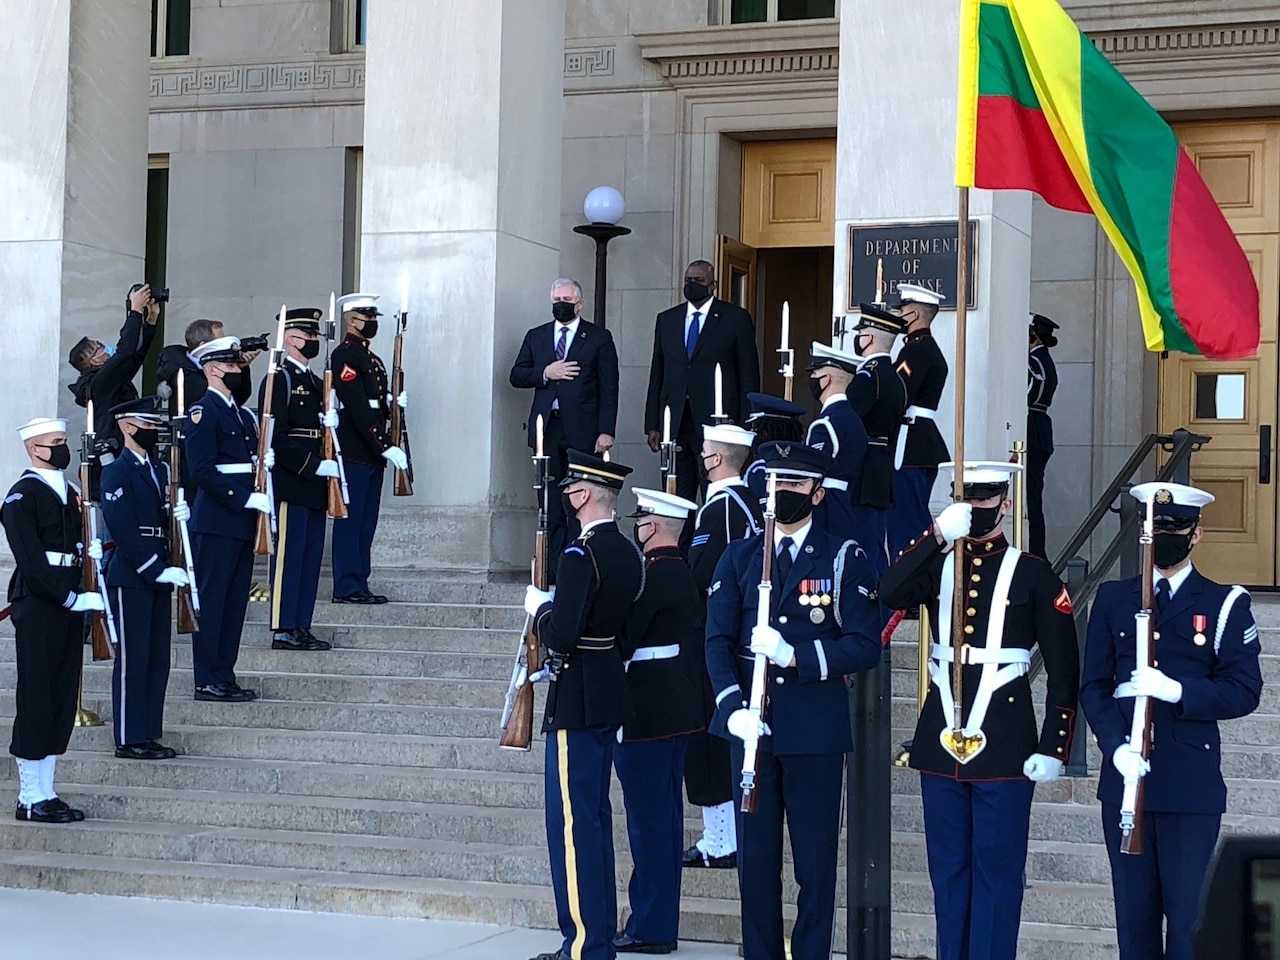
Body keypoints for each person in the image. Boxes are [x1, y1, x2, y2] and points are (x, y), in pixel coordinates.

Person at [878, 462, 1080, 960]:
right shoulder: (940, 564)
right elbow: (889, 590)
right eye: (966, 502)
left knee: (997, 874)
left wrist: (1055, 746)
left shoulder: (1033, 572)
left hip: (1004, 741)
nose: (976, 511)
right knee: (948, 874)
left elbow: (1064, 668)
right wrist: (933, 536)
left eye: (986, 501)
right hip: (941, 735)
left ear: (1006, 504)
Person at [705, 441, 881, 960]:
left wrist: (795, 656)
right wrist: (733, 707)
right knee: (755, 865)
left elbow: (863, 644)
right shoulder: (740, 556)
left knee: (814, 866)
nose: (782, 494)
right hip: (752, 730)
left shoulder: (843, 557)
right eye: (775, 484)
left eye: (795, 485)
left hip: (814, 733)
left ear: (818, 494)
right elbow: (715, 639)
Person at [1081, 482, 1262, 960]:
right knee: (1134, 925)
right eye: (1154, 529)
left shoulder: (1224, 603)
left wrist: (1179, 690)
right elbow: (1094, 687)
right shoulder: (1114, 599)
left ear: (1196, 534)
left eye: (1174, 529)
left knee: (1188, 924)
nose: (1163, 538)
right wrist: (1115, 746)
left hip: (1188, 785)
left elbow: (1245, 689)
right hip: (1126, 783)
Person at [522, 450, 643, 960]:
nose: (567, 496)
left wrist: (542, 609)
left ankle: (583, 944)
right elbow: (630, 631)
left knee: (572, 825)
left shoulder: (579, 555)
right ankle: (596, 937)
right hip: (609, 687)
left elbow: (563, 635)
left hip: (575, 695)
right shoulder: (628, 553)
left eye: (572, 488)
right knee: (593, 818)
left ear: (583, 494)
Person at [614, 488, 706, 955]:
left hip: (646, 710)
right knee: (664, 821)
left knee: (649, 824)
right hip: (675, 707)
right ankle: (656, 921)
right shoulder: (680, 571)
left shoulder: (651, 576)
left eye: (641, 519)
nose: (637, 526)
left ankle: (650, 926)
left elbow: (625, 638)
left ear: (650, 526)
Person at [4, 417, 105, 823]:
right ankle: (29, 795)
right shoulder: (22, 496)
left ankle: (47, 790)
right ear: (35, 449)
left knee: (62, 697)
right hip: (42, 603)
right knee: (37, 697)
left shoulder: (71, 492)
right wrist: (67, 597)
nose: (63, 449)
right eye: (56, 442)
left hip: (71, 597)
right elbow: (30, 560)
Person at [685, 422, 760, 870]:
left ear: (714, 460)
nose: (702, 456)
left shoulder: (719, 511)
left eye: (705, 450)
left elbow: (702, 574)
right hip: (740, 631)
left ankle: (720, 838)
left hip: (715, 632)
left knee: (709, 738)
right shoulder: (751, 502)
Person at [185, 336, 273, 702]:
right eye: (234, 365)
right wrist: (243, 497)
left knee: (235, 602)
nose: (239, 371)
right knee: (214, 600)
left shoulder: (239, 412)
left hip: (240, 520)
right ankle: (208, 677)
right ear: (213, 369)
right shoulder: (203, 411)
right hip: (218, 518)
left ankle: (225, 671)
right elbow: (202, 469)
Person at [99, 398, 187, 760]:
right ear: (127, 427)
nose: (153, 431)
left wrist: (181, 514)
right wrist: (154, 567)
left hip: (160, 568)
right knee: (133, 659)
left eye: (155, 426)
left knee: (156, 659)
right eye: (147, 425)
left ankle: (149, 732)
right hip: (134, 573)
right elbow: (123, 529)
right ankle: (129, 736)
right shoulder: (116, 472)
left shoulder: (162, 470)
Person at [509, 279, 620, 565]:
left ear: (579, 303)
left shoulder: (598, 337)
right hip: (547, 428)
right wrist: (546, 372)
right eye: (556, 299)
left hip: (583, 431)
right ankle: (551, 567)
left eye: (566, 299)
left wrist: (606, 430)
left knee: (579, 497)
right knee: (549, 499)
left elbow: (609, 387)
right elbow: (517, 375)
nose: (560, 304)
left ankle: (576, 562)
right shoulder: (537, 336)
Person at [644, 260, 760, 503]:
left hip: (717, 422)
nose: (692, 285)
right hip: (675, 421)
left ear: (713, 285)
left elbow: (748, 374)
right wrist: (652, 423)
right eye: (688, 280)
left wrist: (745, 424)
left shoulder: (735, 318)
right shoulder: (667, 320)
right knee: (676, 495)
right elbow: (658, 372)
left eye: (698, 281)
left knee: (714, 493)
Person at [260, 308, 335, 652]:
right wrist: (312, 465)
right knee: (289, 558)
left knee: (309, 558)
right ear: (291, 338)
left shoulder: (318, 384)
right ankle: (283, 626)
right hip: (294, 479)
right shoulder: (280, 378)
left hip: (317, 481)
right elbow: (274, 436)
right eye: (309, 335)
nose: (314, 341)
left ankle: (301, 623)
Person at [330, 293, 409, 605]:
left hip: (371, 454)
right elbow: (358, 407)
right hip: (355, 449)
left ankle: (359, 580)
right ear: (352, 320)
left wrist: (392, 405)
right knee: (351, 522)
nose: (373, 323)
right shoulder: (345, 356)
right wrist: (385, 444)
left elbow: (374, 402)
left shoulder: (372, 359)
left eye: (375, 317)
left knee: (366, 523)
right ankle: (347, 584)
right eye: (367, 317)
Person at [157, 318, 260, 502]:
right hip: (190, 463)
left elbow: (235, 400)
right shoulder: (182, 372)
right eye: (220, 339)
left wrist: (242, 370)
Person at [847, 302, 908, 578]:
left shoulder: (868, 375)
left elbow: (848, 421)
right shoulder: (896, 377)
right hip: (882, 468)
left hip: (864, 472)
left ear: (868, 337)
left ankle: (874, 613)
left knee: (864, 547)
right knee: (875, 544)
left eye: (861, 332)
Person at [888, 284, 949, 561]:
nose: (899, 314)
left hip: (909, 442)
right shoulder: (923, 348)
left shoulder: (916, 351)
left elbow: (897, 394)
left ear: (913, 313)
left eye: (902, 309)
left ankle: (911, 584)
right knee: (913, 516)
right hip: (921, 440)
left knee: (906, 521)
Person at [67, 284, 161, 456]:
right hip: (115, 451)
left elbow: (135, 357)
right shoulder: (98, 383)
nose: (106, 347)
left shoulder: (111, 379)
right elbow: (125, 351)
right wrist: (135, 311)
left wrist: (151, 320)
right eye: (99, 347)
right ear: (94, 361)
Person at [804, 341, 869, 544]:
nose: (811, 379)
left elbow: (813, 472)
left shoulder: (825, 424)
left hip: (825, 507)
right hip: (846, 504)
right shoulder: (854, 420)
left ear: (826, 379)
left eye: (814, 374)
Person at [1027, 314, 1059, 558]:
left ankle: (1036, 554)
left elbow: (1029, 393)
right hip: (1038, 428)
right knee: (1031, 498)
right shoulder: (1042, 360)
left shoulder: (1034, 362)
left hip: (1032, 428)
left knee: (1030, 498)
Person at [742, 392, 806, 509]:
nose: (752, 431)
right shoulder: (804, 465)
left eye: (755, 427)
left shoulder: (759, 469)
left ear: (766, 431)